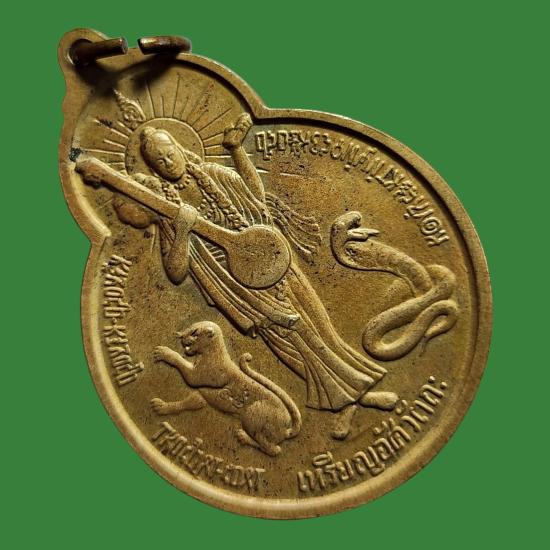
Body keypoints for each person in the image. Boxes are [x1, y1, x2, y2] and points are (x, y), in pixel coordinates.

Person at [113, 114, 397, 439]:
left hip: (275, 264)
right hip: (240, 291)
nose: (168, 162)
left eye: (169, 153)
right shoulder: (169, 211)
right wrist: (182, 230)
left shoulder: (214, 175)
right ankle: (346, 402)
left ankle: (358, 393)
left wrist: (237, 150)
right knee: (294, 346)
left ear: (179, 148)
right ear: (153, 169)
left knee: (323, 333)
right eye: (160, 161)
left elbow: (255, 197)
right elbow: (176, 272)